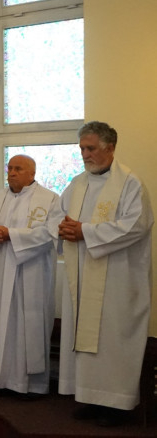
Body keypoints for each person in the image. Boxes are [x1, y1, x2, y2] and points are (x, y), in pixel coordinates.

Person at [48, 121, 153, 427]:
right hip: (82, 274)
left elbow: (136, 225)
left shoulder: (130, 183)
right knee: (84, 337)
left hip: (117, 278)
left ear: (110, 147)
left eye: (91, 148)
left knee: (113, 340)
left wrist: (86, 232)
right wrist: (63, 228)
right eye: (82, 148)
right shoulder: (77, 183)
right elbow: (57, 214)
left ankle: (117, 405)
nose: (85, 154)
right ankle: (90, 397)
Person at [0, 155, 58, 396]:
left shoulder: (50, 199)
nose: (11, 172)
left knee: (27, 326)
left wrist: (13, 235)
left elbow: (51, 234)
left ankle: (29, 385)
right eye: (9, 168)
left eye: (18, 168)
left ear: (32, 173)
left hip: (30, 274)